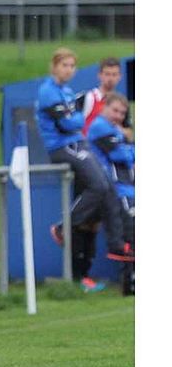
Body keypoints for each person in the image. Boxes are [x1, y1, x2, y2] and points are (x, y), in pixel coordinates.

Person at [37, 48, 133, 263]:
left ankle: (116, 246)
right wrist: (78, 120)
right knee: (97, 193)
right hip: (69, 146)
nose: (69, 70)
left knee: (106, 190)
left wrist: (76, 120)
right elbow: (69, 123)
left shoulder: (69, 92)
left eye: (72, 66)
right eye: (65, 65)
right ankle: (65, 231)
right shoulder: (61, 93)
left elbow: (126, 134)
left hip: (80, 145)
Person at [87, 93, 135, 295]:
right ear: (104, 107)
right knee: (130, 235)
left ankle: (131, 282)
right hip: (117, 190)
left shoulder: (116, 130)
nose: (118, 116)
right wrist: (126, 143)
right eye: (115, 110)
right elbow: (121, 154)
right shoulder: (100, 127)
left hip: (127, 188)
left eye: (122, 113)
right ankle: (129, 284)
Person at [77, 57, 133, 140]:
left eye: (114, 74)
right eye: (107, 74)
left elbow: (129, 133)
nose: (110, 78)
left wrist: (116, 129)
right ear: (99, 75)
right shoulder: (86, 98)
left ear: (120, 77)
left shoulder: (122, 103)